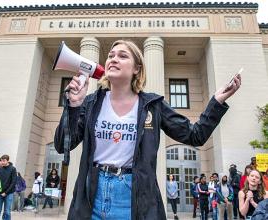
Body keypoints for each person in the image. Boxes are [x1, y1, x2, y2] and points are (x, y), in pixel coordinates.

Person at [54, 39, 241, 219]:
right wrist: (73, 106)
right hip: (91, 194)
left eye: (122, 56)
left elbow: (195, 136)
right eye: (111, 55)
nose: (113, 59)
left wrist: (216, 102)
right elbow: (62, 145)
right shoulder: (91, 102)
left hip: (133, 195)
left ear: (137, 68)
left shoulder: (153, 105)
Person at [0, 154, 17, 220]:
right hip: (0, 192)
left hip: (9, 193)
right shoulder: (0, 169)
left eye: (4, 161)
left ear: (8, 161)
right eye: (1, 161)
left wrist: (6, 192)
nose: (2, 162)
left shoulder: (13, 169)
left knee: (7, 211)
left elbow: (13, 182)